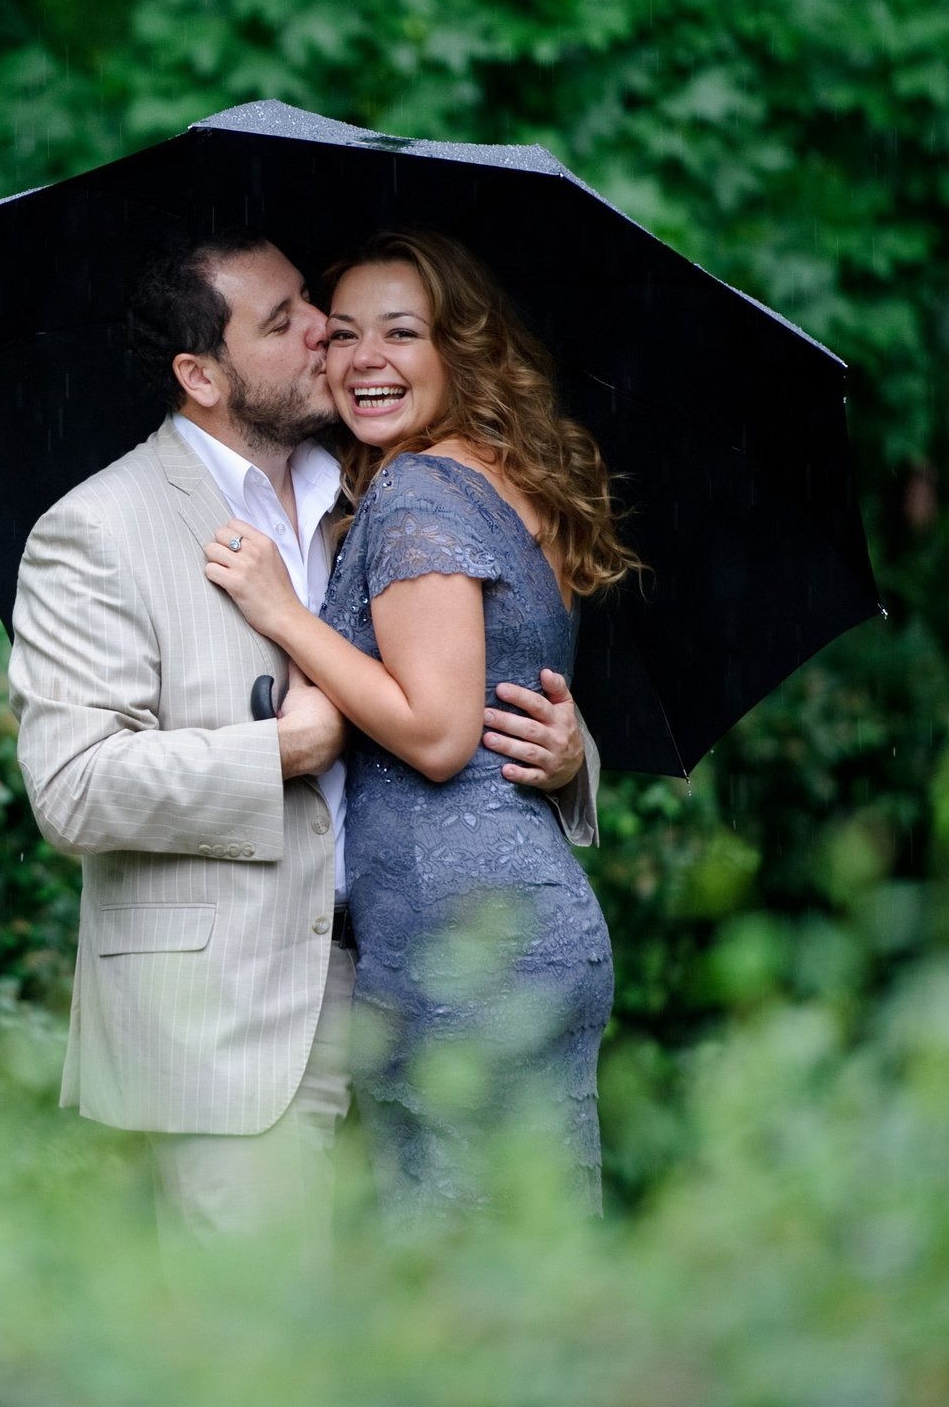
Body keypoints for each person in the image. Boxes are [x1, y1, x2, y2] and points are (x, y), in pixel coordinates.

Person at [8, 225, 599, 1258]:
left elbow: (456, 682)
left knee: (428, 1301)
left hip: (407, 965)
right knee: (260, 1338)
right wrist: (277, 752)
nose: (325, 332)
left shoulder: (371, 489)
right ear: (201, 374)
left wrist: (570, 751)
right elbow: (71, 787)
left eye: (309, 305)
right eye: (286, 321)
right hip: (230, 1003)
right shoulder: (98, 528)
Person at [200, 227, 636, 1216]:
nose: (365, 360)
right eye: (341, 334)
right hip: (526, 923)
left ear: (459, 349)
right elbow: (502, 705)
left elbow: (438, 737)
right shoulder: (500, 480)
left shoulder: (416, 492)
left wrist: (281, 616)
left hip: (461, 946)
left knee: (452, 1279)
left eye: (401, 332)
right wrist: (574, 763)